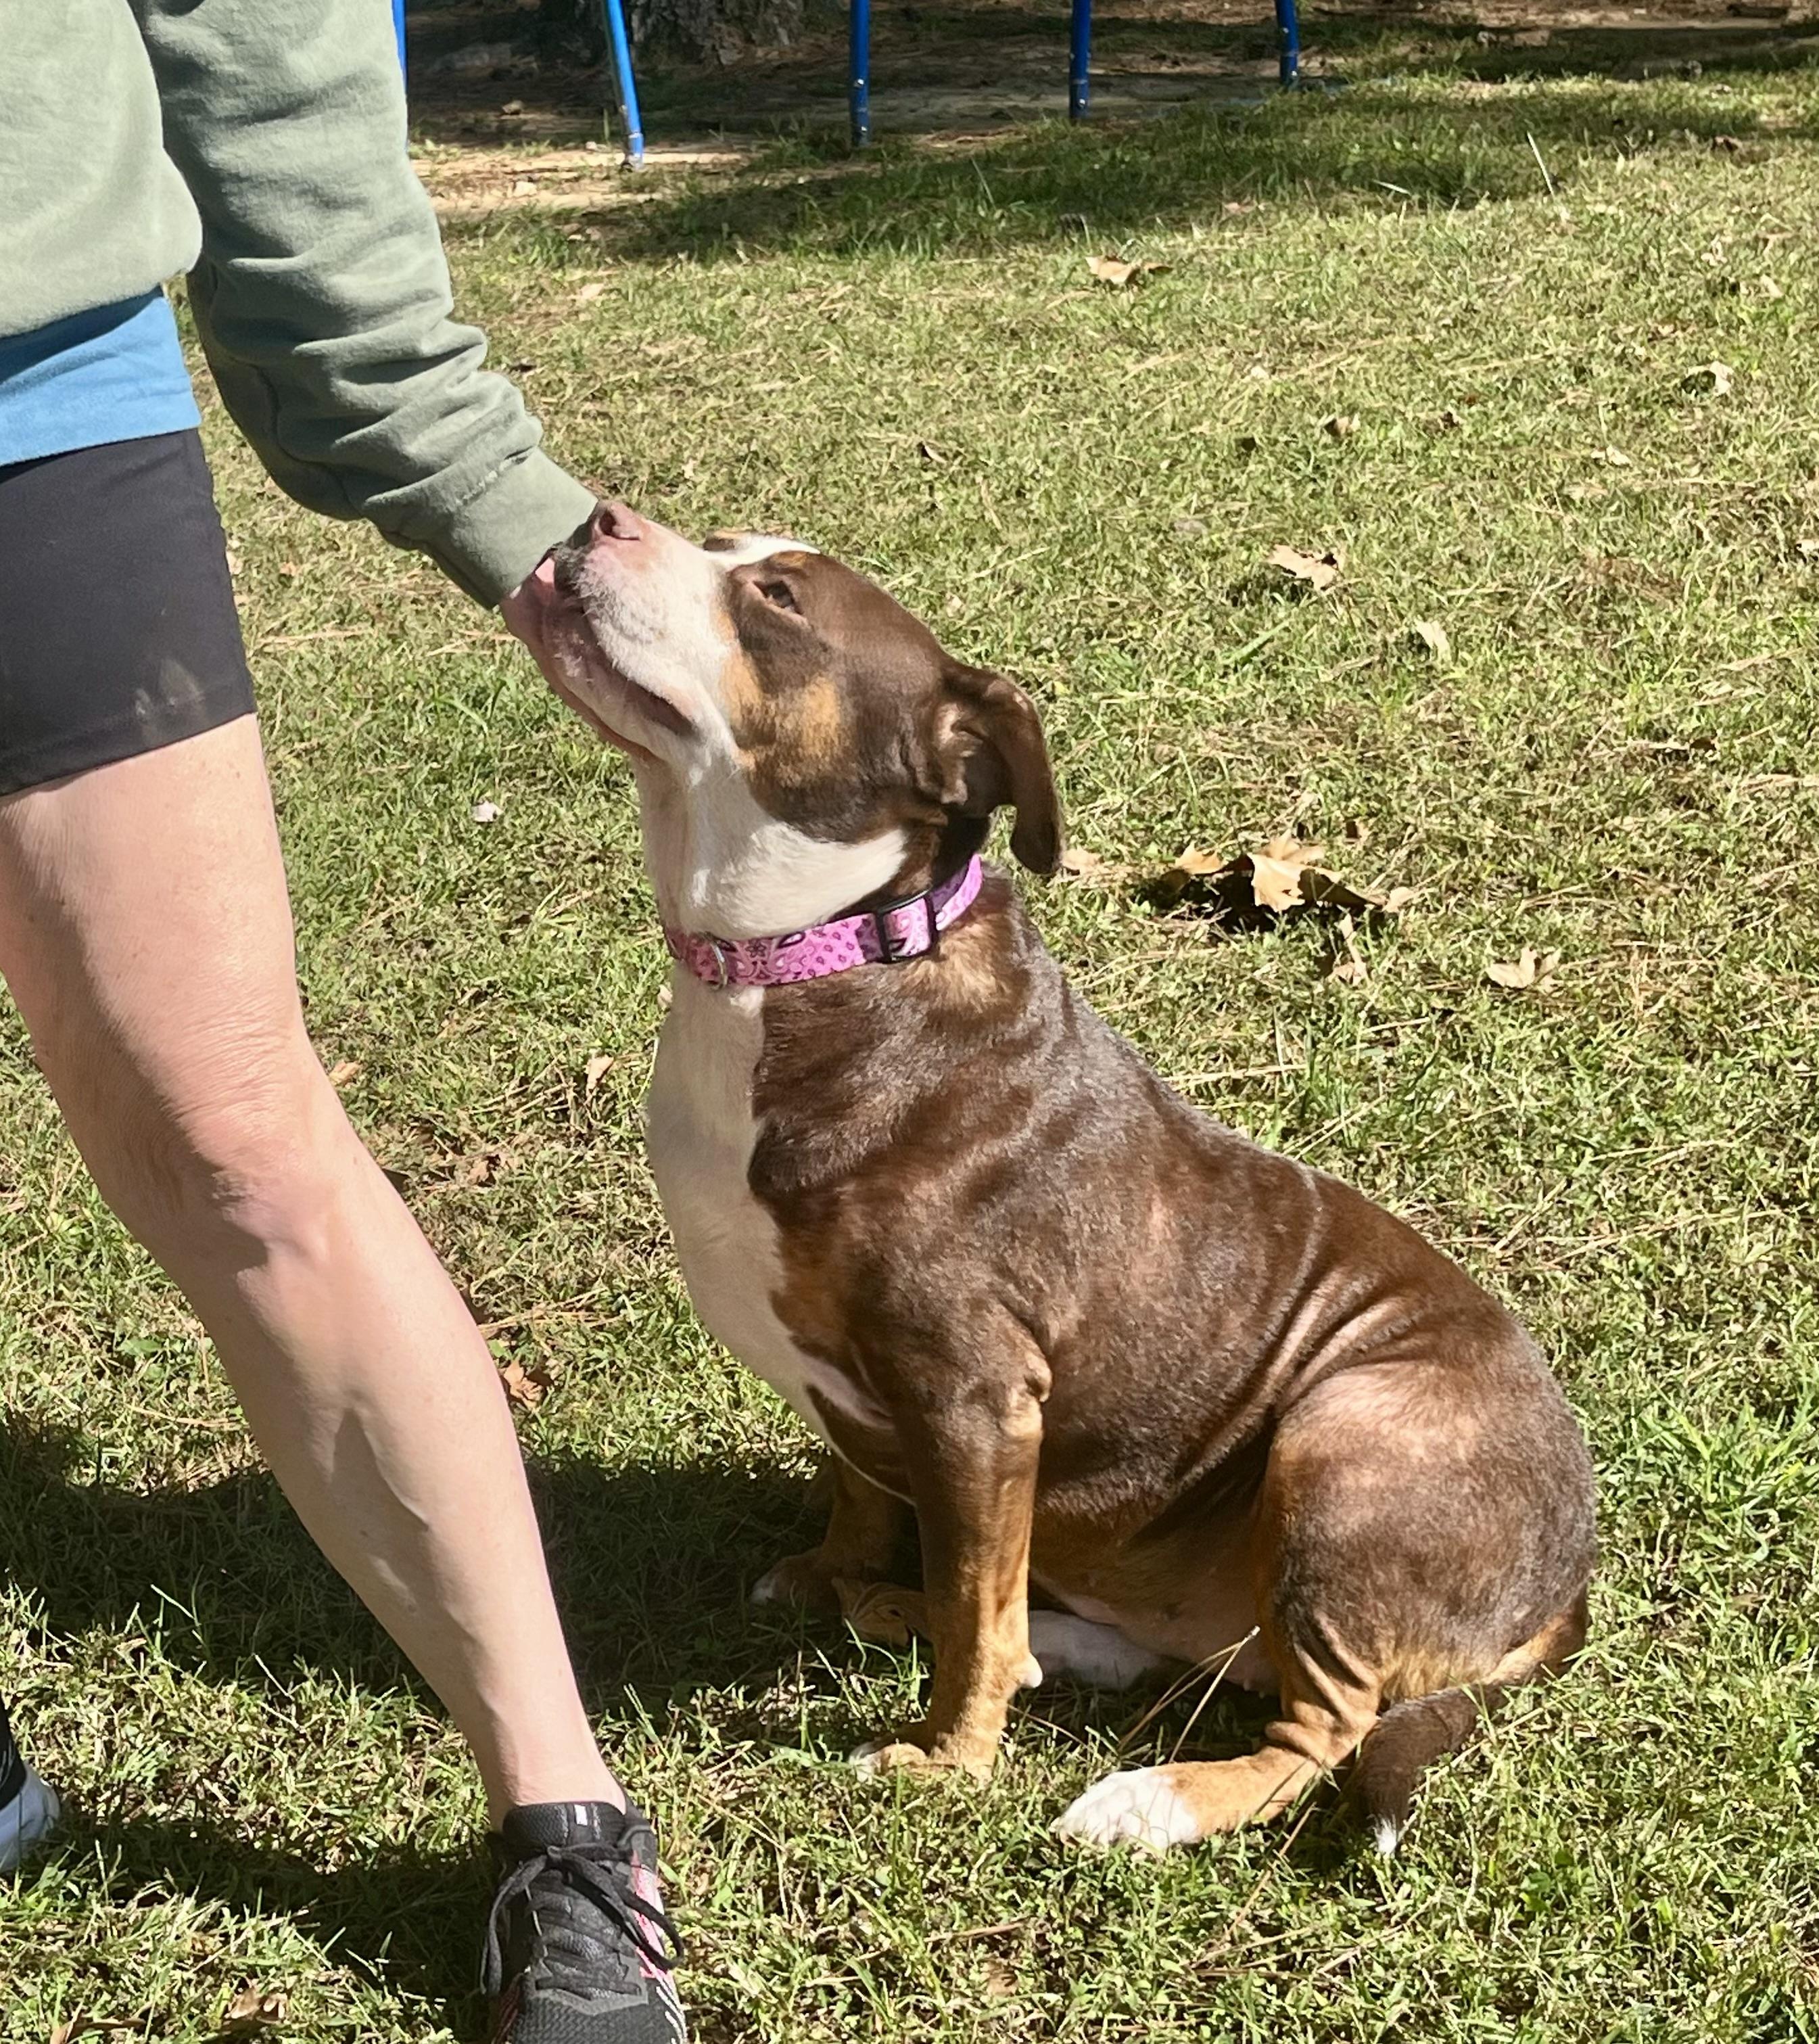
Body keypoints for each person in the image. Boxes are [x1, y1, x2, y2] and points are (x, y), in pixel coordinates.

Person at [0, 4, 688, 2039]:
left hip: (27, 387)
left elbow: (257, 33)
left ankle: (566, 1828)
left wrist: (481, 485)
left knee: (229, 1130)